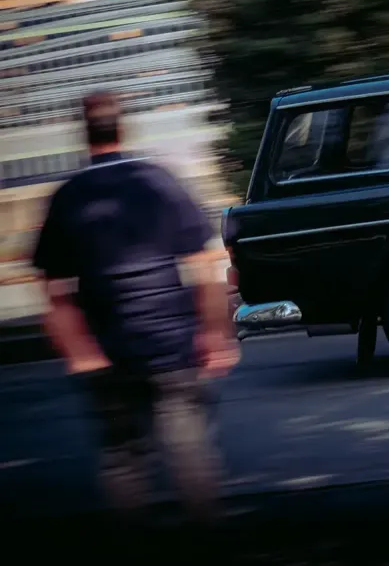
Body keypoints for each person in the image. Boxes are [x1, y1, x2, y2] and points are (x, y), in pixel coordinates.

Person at [31, 90, 239, 534]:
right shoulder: (159, 181)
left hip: (109, 352)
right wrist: (215, 333)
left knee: (124, 460)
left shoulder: (68, 196)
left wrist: (80, 351)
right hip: (171, 347)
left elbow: (53, 292)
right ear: (123, 128)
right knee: (190, 452)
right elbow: (205, 268)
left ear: (84, 134)